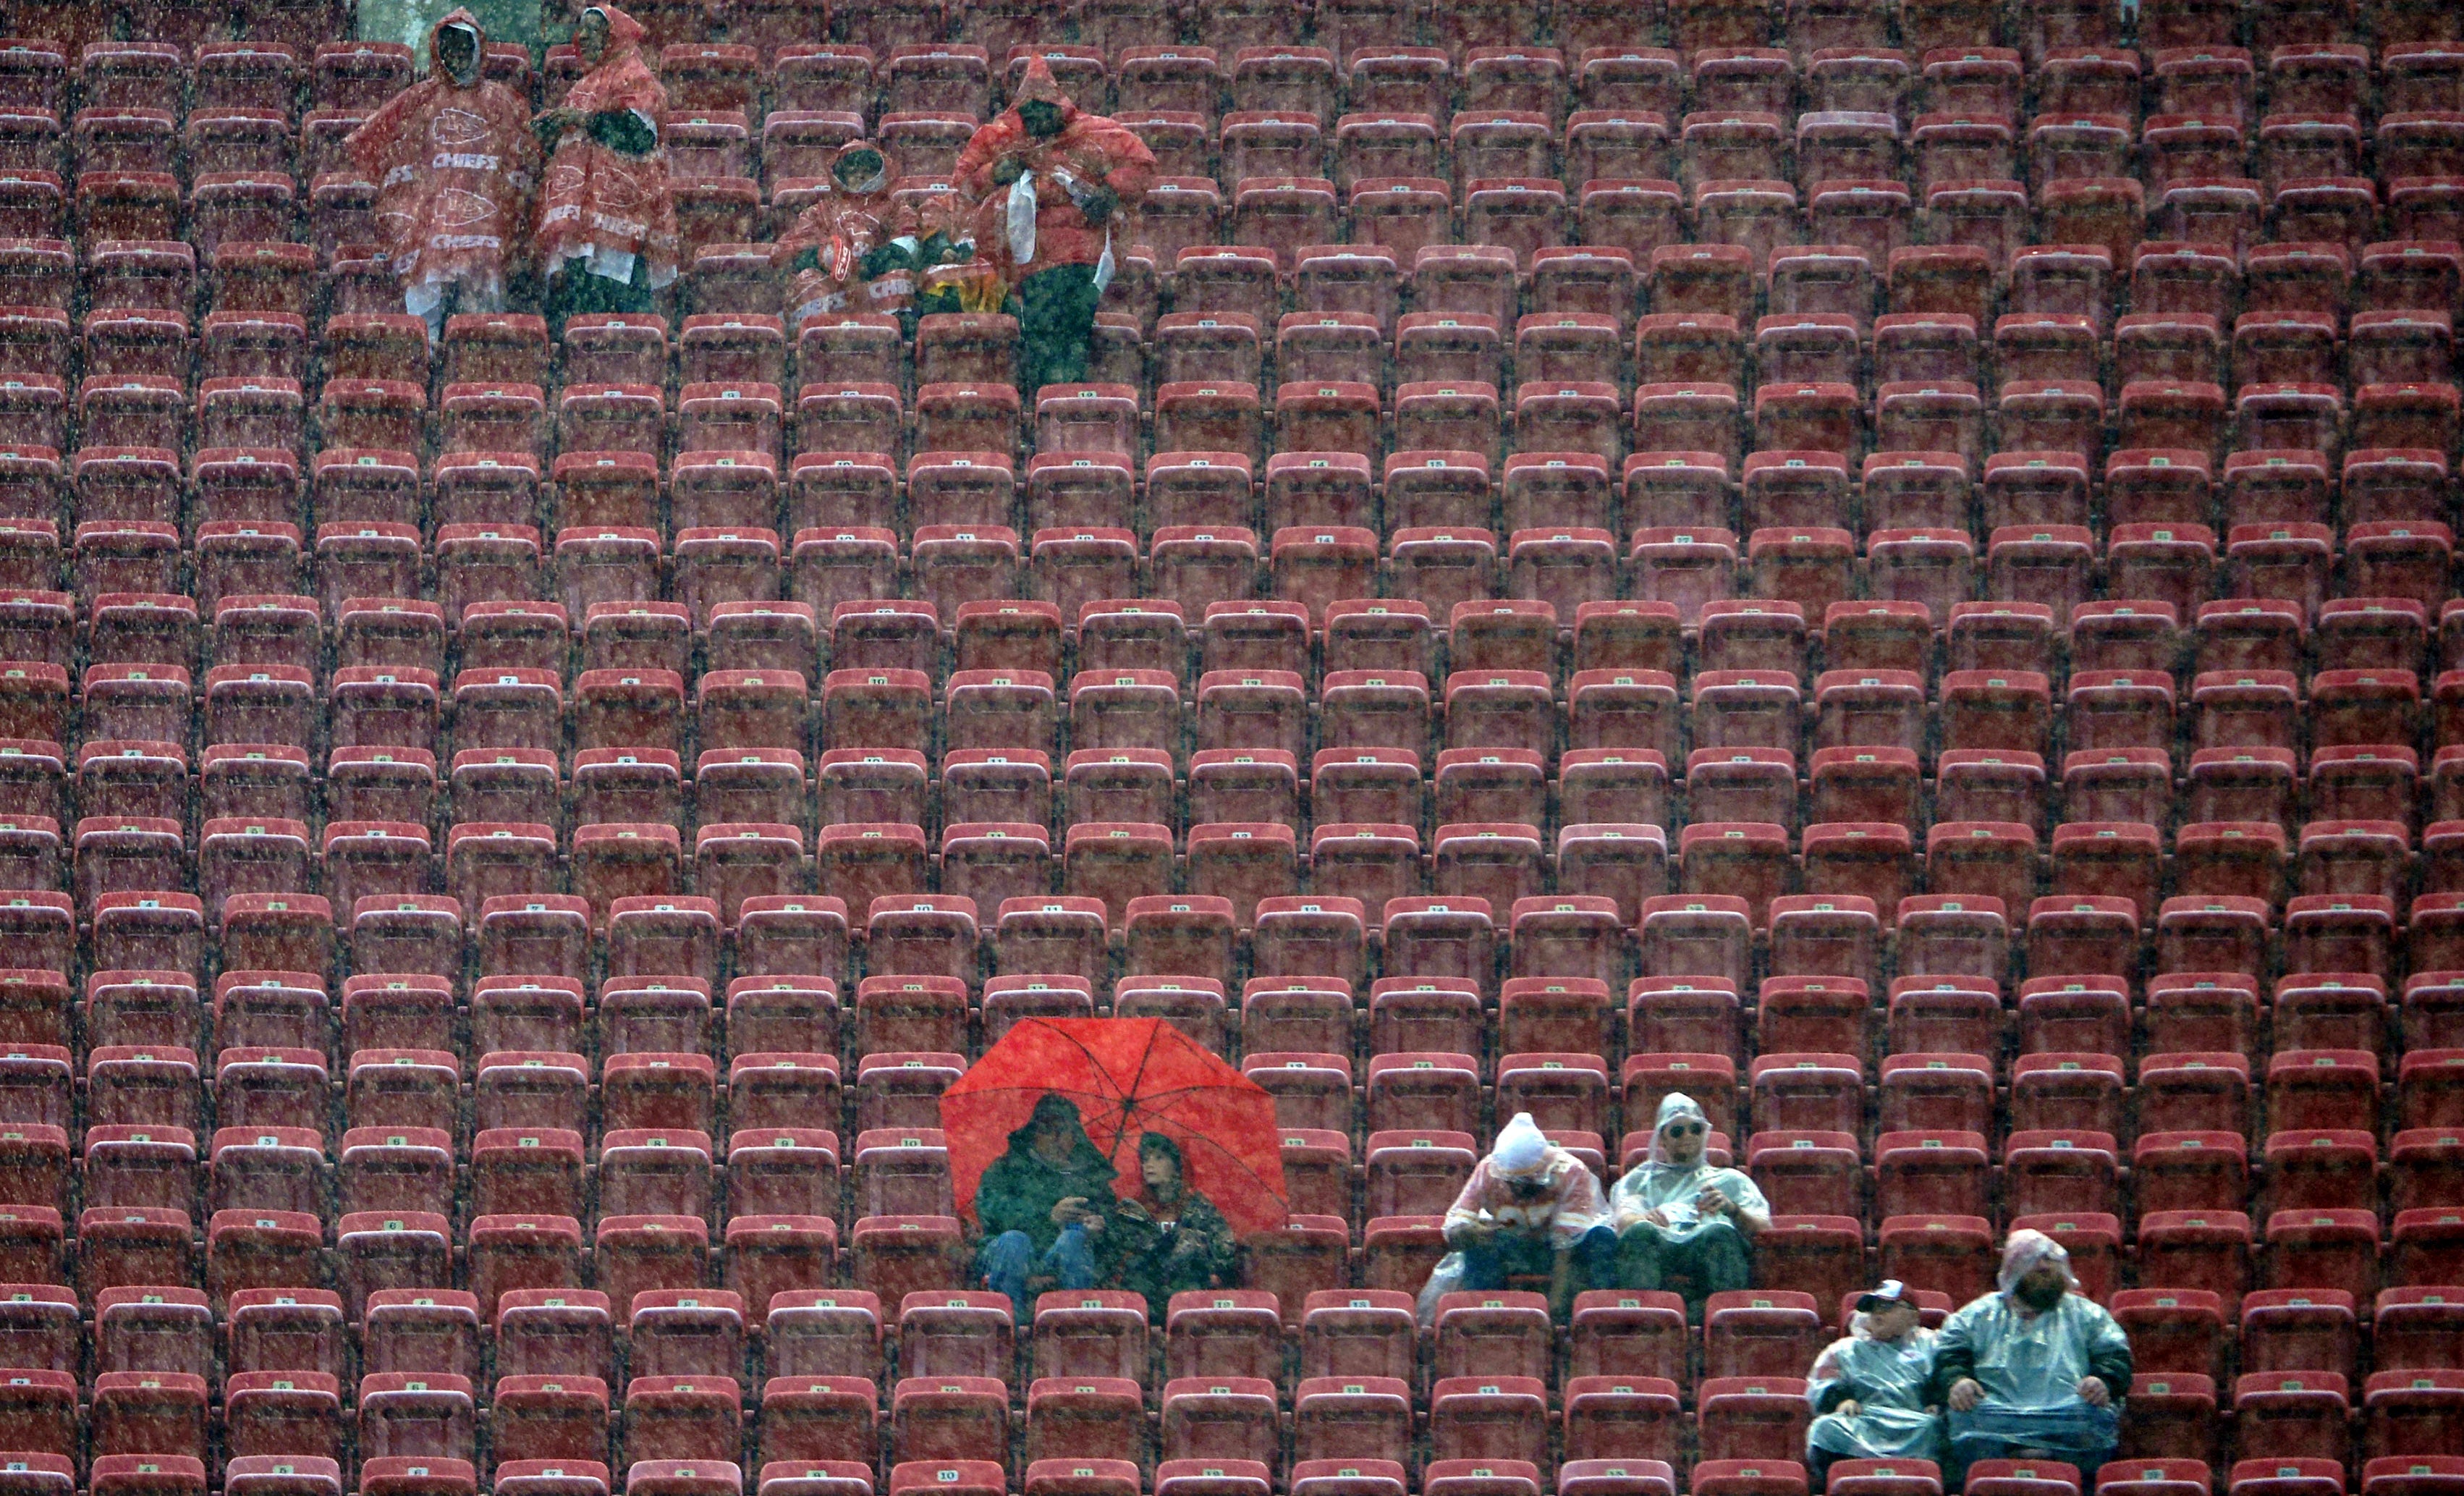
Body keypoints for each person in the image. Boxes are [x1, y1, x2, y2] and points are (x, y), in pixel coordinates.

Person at [951, 54, 1157, 397]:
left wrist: (1110, 191)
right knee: (1047, 331)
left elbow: (1140, 166)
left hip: (1083, 255)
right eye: (1030, 113)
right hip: (1031, 256)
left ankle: (1061, 396)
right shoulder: (1001, 139)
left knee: (1069, 328)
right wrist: (999, 172)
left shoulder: (1096, 134)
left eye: (1043, 110)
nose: (1038, 119)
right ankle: (1053, 398)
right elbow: (964, 184)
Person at [345, 10, 538, 342]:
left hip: (484, 229)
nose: (456, 54)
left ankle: (476, 367)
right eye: (448, 46)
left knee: (480, 315)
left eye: (464, 45)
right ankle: (427, 358)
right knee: (426, 304)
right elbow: (375, 141)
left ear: (478, 48)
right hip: (431, 225)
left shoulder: (503, 101)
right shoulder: (420, 98)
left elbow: (524, 157)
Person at [1929, 1230, 2134, 1490]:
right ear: (2013, 1268)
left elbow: (2115, 1354)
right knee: (1964, 1417)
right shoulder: (1978, 1314)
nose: (2044, 1266)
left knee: (2095, 1417)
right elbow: (1949, 1353)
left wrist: (2104, 1380)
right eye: (2034, 1260)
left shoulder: (2087, 1314)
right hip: (1997, 1413)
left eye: (2049, 1260)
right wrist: (1958, 1380)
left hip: (2066, 1414)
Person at [534, 5, 677, 333]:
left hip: (621, 224)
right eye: (581, 30)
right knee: (582, 327)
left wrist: (581, 120)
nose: (581, 38)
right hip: (581, 228)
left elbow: (640, 135)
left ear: (614, 36)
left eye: (593, 30)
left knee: (620, 327)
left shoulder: (634, 75)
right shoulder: (584, 85)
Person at [773, 139, 970, 338]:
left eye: (867, 170)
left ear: (880, 173)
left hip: (878, 276)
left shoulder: (896, 207)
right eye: (853, 170)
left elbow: (907, 242)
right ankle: (820, 341)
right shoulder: (819, 212)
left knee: (900, 277)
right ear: (841, 175)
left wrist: (872, 263)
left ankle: (892, 342)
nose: (860, 174)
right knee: (809, 281)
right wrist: (819, 256)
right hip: (832, 280)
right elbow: (789, 250)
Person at [1435, 1112, 1617, 1321]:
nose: (1518, 1190)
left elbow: (1566, 1245)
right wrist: (1471, 1231)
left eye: (1525, 1183)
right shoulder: (1488, 1170)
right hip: (1515, 1247)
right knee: (1480, 1245)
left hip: (1567, 1253)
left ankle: (1591, 1319)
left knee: (1601, 1239)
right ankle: (1484, 1319)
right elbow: (1458, 1223)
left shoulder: (1571, 1172)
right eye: (1512, 1183)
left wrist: (1553, 1307)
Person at [1610, 1092, 1770, 1322]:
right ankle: (1645, 1326)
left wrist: (1733, 1209)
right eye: (1677, 1131)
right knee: (1639, 1234)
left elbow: (1763, 1228)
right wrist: (1642, 1218)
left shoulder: (1730, 1180)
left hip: (1705, 1245)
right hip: (1659, 1244)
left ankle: (1723, 1324)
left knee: (1721, 1233)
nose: (1688, 1136)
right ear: (1662, 1139)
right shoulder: (1640, 1179)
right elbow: (1623, 1219)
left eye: (1695, 1129)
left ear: (1705, 1133)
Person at [973, 1092, 1122, 1322]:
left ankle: (1073, 1329)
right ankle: (1012, 1332)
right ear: (1033, 1134)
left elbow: (1112, 1225)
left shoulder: (1091, 1178)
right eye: (1046, 1130)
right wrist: (1048, 1216)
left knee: (1074, 1239)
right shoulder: (1005, 1170)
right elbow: (992, 1212)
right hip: (1008, 1254)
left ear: (1074, 1136)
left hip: (1064, 1257)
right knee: (1014, 1241)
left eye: (1062, 1130)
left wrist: (1099, 1229)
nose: (1054, 1138)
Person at [1806, 1280, 1947, 1489]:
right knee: (1824, 1429)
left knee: (1937, 1429)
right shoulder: (1846, 1349)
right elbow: (1823, 1383)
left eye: (1887, 1306)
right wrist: (1841, 1400)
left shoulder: (1932, 1344)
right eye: (1873, 1307)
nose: (1877, 1313)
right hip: (1864, 1421)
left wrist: (1937, 1400)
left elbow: (1948, 1375)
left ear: (1912, 1315)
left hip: (1915, 1423)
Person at [1109, 1132, 1240, 1317]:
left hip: (1190, 1304)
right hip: (1144, 1300)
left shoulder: (1200, 1209)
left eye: (1159, 1158)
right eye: (1145, 1159)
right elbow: (1117, 1257)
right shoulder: (1131, 1212)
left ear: (1177, 1167)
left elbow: (1224, 1253)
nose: (1149, 1164)